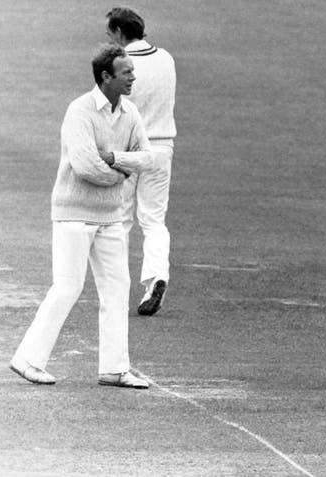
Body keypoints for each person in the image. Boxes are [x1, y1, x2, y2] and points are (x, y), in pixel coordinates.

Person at [9, 44, 154, 389]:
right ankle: (27, 359)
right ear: (106, 77)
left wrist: (115, 158)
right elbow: (86, 166)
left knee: (118, 289)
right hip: (73, 214)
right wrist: (122, 171)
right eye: (126, 72)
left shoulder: (130, 113)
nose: (133, 76)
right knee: (68, 287)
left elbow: (148, 158)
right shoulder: (80, 111)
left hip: (110, 217)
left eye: (132, 71)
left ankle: (114, 368)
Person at [106, 6, 177, 316]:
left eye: (110, 34)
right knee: (154, 220)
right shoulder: (167, 58)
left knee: (120, 220)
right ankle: (156, 277)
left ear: (120, 33)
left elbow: (115, 108)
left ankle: (116, 286)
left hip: (131, 149)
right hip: (162, 147)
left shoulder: (121, 65)